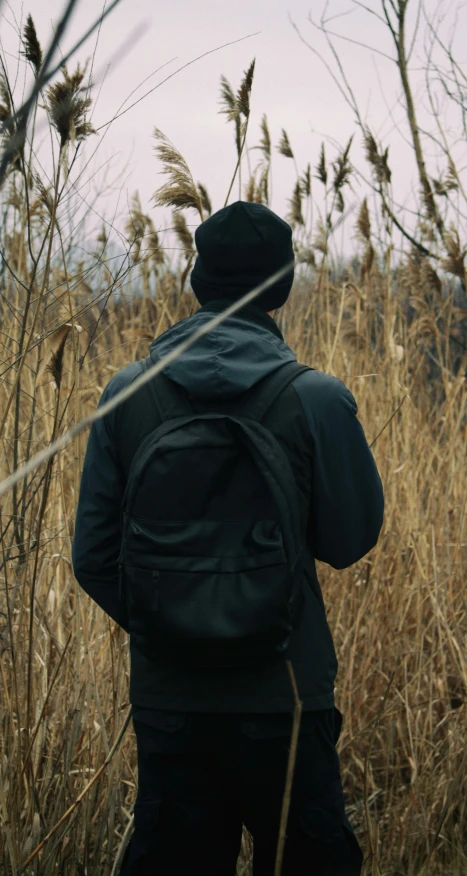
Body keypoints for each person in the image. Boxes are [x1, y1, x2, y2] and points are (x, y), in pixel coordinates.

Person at [72, 201, 384, 875]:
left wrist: (168, 622)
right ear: (281, 287)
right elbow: (350, 539)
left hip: (171, 699)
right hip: (287, 696)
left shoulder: (128, 393)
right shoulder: (316, 399)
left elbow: (92, 557)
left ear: (197, 278)